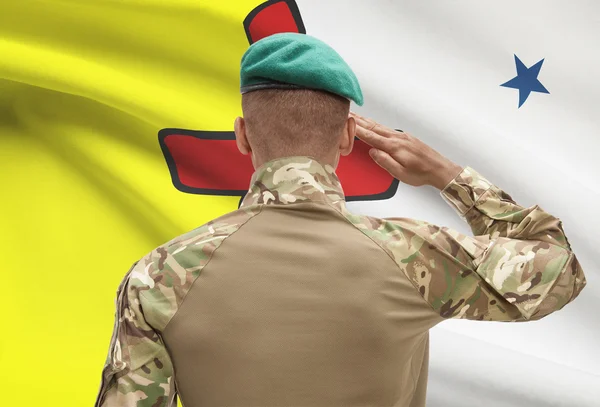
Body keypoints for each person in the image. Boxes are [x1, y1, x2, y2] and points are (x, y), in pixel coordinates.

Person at [95, 32, 587, 407]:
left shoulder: (159, 276)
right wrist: (448, 175)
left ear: (243, 135)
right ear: (349, 136)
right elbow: (559, 269)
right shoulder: (415, 256)